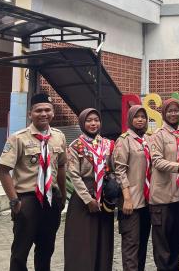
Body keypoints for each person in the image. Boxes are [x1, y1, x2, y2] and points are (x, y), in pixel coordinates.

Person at [0, 93, 67, 271]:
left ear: (53, 113)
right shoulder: (18, 138)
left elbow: (61, 166)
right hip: (27, 200)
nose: (43, 114)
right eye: (38, 110)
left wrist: (63, 195)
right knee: (20, 251)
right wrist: (14, 201)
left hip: (51, 200)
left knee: (46, 249)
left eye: (47, 110)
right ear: (30, 114)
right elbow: (3, 170)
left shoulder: (59, 137)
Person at [64, 108, 115, 271]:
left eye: (96, 120)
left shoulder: (108, 144)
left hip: (104, 198)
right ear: (82, 123)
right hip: (83, 199)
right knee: (82, 241)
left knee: (103, 239)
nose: (93, 123)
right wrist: (88, 200)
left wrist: (113, 191)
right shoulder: (75, 146)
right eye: (89, 120)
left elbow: (113, 169)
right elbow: (74, 175)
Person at [149, 98, 179, 271]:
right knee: (162, 244)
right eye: (170, 111)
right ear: (164, 113)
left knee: (178, 241)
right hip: (163, 198)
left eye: (176, 111)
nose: (173, 114)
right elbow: (157, 161)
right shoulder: (157, 135)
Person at [113, 105, 152, 271]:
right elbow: (120, 171)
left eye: (143, 117)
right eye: (136, 116)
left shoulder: (148, 140)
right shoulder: (124, 140)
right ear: (130, 119)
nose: (140, 120)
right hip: (131, 202)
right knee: (131, 244)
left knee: (143, 244)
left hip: (147, 201)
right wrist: (127, 199)